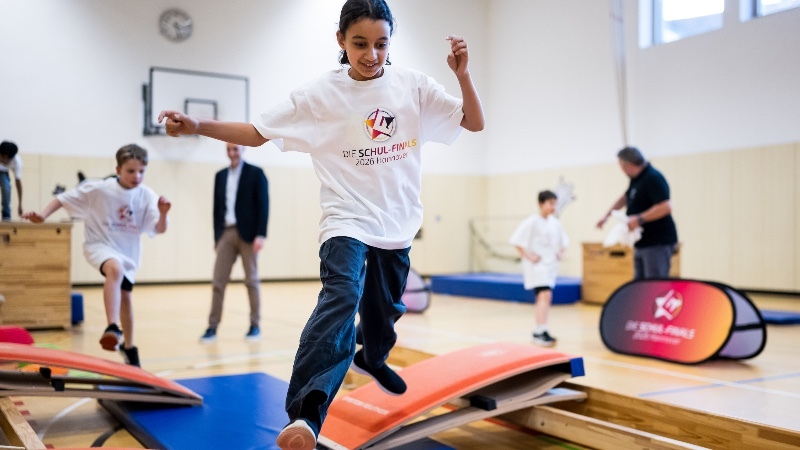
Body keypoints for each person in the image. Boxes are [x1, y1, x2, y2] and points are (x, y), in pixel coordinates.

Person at [157, 0, 484, 447]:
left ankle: (372, 356)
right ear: (340, 41)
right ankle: (305, 416)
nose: (372, 55)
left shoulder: (414, 86)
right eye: (360, 44)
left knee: (383, 315)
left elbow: (474, 122)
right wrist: (197, 125)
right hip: (345, 219)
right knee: (342, 295)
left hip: (397, 224)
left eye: (381, 44)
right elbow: (257, 132)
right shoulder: (319, 96)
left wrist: (462, 74)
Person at [22, 144, 171, 367]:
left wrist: (163, 214)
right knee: (115, 269)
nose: (136, 176)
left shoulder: (147, 195)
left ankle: (129, 348)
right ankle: (112, 326)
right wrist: (43, 215)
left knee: (126, 299)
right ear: (118, 169)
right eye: (130, 171)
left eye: (141, 171)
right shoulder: (99, 189)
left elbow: (158, 229)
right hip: (99, 246)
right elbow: (62, 199)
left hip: (128, 253)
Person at [200, 142, 269, 344]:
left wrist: (261, 234)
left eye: (235, 149)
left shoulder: (256, 173)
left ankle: (255, 325)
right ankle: (212, 327)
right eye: (229, 149)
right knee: (218, 282)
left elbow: (264, 204)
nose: (232, 152)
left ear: (243, 149)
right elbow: (216, 209)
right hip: (226, 233)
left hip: (249, 234)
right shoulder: (220, 175)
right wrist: (216, 236)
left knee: (251, 281)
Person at [596, 146, 678, 280]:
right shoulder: (637, 179)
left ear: (627, 164)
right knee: (639, 287)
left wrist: (639, 219)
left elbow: (666, 206)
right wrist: (607, 215)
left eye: (620, 165)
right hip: (642, 242)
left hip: (657, 242)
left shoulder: (653, 177)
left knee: (653, 285)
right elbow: (625, 197)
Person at [509, 190, 569, 347]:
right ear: (541, 204)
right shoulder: (532, 222)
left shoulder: (555, 223)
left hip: (550, 267)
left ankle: (541, 328)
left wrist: (560, 253)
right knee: (545, 295)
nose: (553, 207)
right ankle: (540, 330)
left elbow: (563, 242)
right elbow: (517, 241)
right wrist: (529, 256)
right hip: (537, 267)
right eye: (550, 203)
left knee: (544, 297)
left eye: (555, 204)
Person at [0, 141, 23, 221]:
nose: (4, 162)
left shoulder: (16, 161)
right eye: (3, 158)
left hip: (3, 173)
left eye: (7, 160)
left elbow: (18, 183)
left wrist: (20, 204)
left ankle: (6, 214)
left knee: (6, 187)